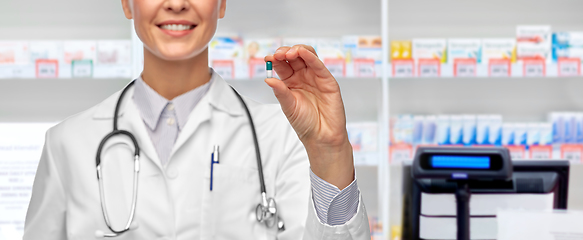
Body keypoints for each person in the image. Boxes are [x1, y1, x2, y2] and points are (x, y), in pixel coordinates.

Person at [23, 0, 370, 239]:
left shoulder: (282, 137)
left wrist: (330, 151)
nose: (176, 2)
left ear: (221, 3)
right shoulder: (67, 144)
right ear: (127, 3)